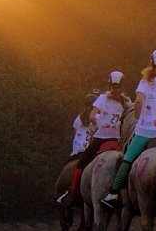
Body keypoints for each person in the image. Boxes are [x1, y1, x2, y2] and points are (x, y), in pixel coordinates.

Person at [101, 49, 156, 209]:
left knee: (128, 158)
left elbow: (138, 101)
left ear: (151, 63)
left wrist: (138, 115)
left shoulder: (145, 82)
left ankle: (113, 193)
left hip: (147, 131)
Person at [56, 71, 132, 206]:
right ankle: (129, 197)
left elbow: (92, 117)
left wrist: (101, 122)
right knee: (128, 163)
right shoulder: (125, 101)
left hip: (101, 138)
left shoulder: (102, 98)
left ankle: (72, 193)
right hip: (117, 140)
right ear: (123, 85)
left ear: (109, 85)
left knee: (82, 162)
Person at [68, 93, 98, 161]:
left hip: (77, 149)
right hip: (90, 149)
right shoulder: (97, 118)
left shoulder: (78, 118)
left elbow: (75, 133)